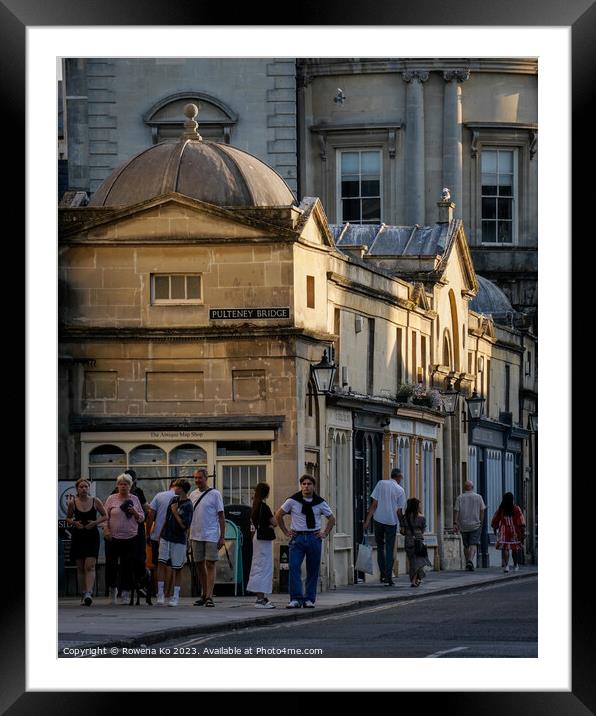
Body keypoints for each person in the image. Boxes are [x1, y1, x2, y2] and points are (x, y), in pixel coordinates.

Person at [275, 475, 336, 609]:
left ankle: (309, 599)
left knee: (313, 570)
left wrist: (324, 533)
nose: (306, 486)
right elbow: (278, 515)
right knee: (294, 567)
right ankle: (296, 598)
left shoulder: (320, 502)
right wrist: (286, 531)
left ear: (314, 486)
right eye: (303, 484)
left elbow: (332, 519)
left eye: (309, 484)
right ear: (301, 486)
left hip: (314, 537)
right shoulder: (292, 501)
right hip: (298, 538)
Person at [103, 473, 145, 604]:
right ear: (117, 486)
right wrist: (106, 529)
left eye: (126, 484)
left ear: (130, 486)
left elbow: (142, 518)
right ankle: (112, 591)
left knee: (127, 565)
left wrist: (135, 512)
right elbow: (105, 517)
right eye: (121, 484)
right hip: (113, 538)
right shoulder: (111, 499)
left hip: (130, 537)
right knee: (111, 565)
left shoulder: (135, 499)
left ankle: (125, 593)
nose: (123, 486)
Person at [65, 478, 107, 606]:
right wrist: (74, 523)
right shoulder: (72, 502)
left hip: (92, 535)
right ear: (77, 489)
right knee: (80, 567)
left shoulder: (95, 501)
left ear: (89, 488)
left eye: (86, 487)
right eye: (81, 487)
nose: (84, 489)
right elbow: (68, 518)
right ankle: (83, 592)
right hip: (78, 535)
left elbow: (105, 515)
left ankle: (89, 593)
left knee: (90, 565)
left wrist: (95, 522)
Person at [363, 468, 406, 586]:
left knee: (380, 547)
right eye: (401, 478)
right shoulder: (400, 490)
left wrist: (367, 521)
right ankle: (388, 576)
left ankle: (382, 574)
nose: (401, 480)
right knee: (389, 548)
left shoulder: (380, 484)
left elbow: (374, 504)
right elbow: (399, 511)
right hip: (391, 522)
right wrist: (402, 525)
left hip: (378, 520)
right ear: (398, 477)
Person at [189, 468, 225, 608]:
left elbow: (221, 516)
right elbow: (190, 516)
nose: (197, 480)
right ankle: (204, 594)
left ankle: (210, 596)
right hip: (196, 534)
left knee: (210, 563)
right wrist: (188, 536)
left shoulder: (215, 494)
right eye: (196, 478)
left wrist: (222, 537)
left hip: (210, 534)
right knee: (199, 564)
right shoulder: (192, 494)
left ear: (206, 478)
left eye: (200, 478)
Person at [156, 478, 193, 606]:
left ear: (182, 489)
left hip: (178, 539)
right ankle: (160, 593)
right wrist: (160, 534)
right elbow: (166, 518)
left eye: (176, 487)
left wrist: (175, 512)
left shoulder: (188, 505)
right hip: (166, 536)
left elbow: (184, 526)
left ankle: (175, 596)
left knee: (177, 567)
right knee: (161, 562)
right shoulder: (173, 500)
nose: (174, 489)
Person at [246, 482, 277, 608]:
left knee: (258, 566)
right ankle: (260, 599)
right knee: (265, 568)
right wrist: (273, 520)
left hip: (257, 538)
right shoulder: (264, 507)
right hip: (264, 540)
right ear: (266, 493)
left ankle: (261, 597)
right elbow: (274, 522)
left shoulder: (254, 507)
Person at [145, 478, 177, 586]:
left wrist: (148, 533)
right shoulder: (182, 498)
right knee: (170, 565)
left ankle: (159, 593)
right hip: (174, 537)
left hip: (157, 535)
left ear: (170, 485)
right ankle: (168, 593)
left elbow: (150, 516)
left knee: (158, 565)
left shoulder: (159, 496)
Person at [454, 480, 486, 571]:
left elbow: (457, 511)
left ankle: (467, 561)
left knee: (466, 545)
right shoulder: (478, 497)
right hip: (475, 524)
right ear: (473, 487)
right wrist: (481, 521)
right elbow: (482, 510)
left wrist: (455, 523)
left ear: (464, 487)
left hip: (463, 525)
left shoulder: (460, 498)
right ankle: (470, 560)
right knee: (473, 543)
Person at [491, 492, 526, 573]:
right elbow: (521, 520)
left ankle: (506, 566)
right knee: (514, 548)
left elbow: (496, 518)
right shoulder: (516, 509)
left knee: (506, 548)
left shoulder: (501, 509)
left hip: (504, 531)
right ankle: (516, 565)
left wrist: (494, 527)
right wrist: (522, 529)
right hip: (514, 531)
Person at [402, 497, 432, 587]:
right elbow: (423, 530)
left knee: (413, 561)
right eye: (419, 505)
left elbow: (402, 531)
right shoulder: (421, 517)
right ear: (416, 506)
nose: (420, 506)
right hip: (418, 540)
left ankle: (416, 579)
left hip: (408, 540)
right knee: (418, 562)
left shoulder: (405, 517)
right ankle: (414, 580)